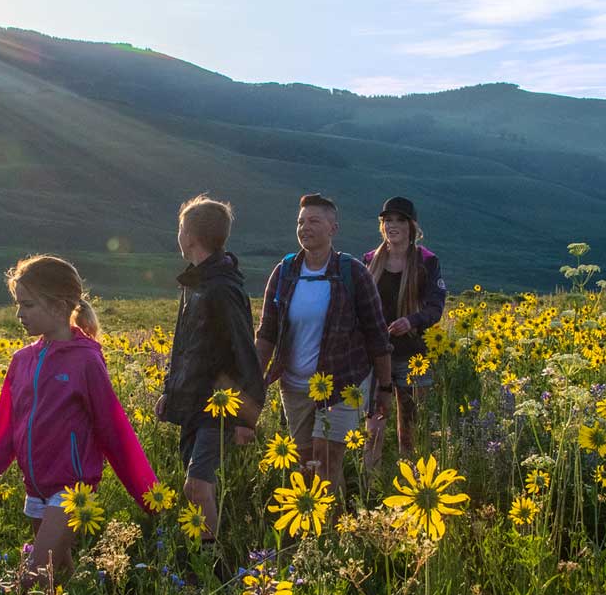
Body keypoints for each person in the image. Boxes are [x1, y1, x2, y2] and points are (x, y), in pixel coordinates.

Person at [0, 255, 157, 589]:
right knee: (58, 576)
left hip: (73, 490)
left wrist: (148, 493)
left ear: (60, 306)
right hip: (35, 487)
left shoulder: (86, 361)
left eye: (28, 305)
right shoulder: (22, 361)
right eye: (18, 305)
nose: (19, 315)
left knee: (33, 578)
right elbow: (1, 431)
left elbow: (113, 428)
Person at [254, 193, 393, 503]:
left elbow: (377, 334)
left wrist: (384, 388)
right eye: (300, 222)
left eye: (314, 221)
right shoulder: (285, 272)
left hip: (342, 384)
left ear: (333, 228)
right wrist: (253, 380)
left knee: (327, 460)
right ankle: (314, 534)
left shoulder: (352, 273)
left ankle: (333, 537)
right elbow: (267, 334)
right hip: (294, 386)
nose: (305, 227)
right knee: (305, 467)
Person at [155, 195, 264, 570]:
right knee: (196, 488)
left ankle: (214, 568)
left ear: (189, 236)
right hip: (192, 400)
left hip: (218, 404)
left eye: (180, 228)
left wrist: (246, 418)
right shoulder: (197, 282)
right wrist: (170, 391)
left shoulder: (220, 288)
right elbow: (185, 345)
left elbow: (243, 352)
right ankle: (202, 562)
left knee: (196, 486)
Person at [362, 196, 447, 461]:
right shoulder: (368, 260)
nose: (392, 225)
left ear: (412, 226)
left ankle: (410, 481)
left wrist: (412, 321)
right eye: (388, 220)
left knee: (410, 429)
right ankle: (370, 487)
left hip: (414, 355)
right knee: (374, 426)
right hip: (376, 356)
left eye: (399, 220)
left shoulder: (427, 261)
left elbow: (436, 307)